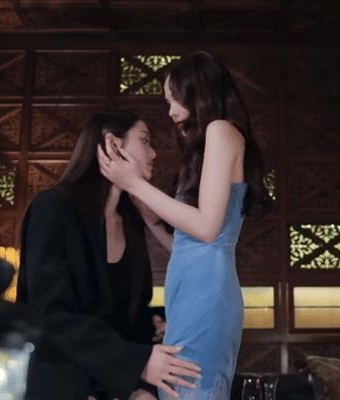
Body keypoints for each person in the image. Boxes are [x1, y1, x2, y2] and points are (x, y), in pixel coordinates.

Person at [97, 51, 270, 400]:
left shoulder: (221, 130)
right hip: (191, 289)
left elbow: (206, 228)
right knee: (179, 390)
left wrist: (135, 184)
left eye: (173, 99)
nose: (171, 111)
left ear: (197, 92)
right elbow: (190, 246)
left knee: (188, 391)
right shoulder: (208, 143)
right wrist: (150, 218)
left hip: (207, 293)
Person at [17, 112, 202, 400]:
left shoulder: (130, 220)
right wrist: (138, 363)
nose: (153, 153)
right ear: (114, 145)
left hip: (111, 383)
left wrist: (155, 324)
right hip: (60, 381)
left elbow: (126, 311)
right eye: (144, 141)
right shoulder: (53, 207)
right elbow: (50, 314)